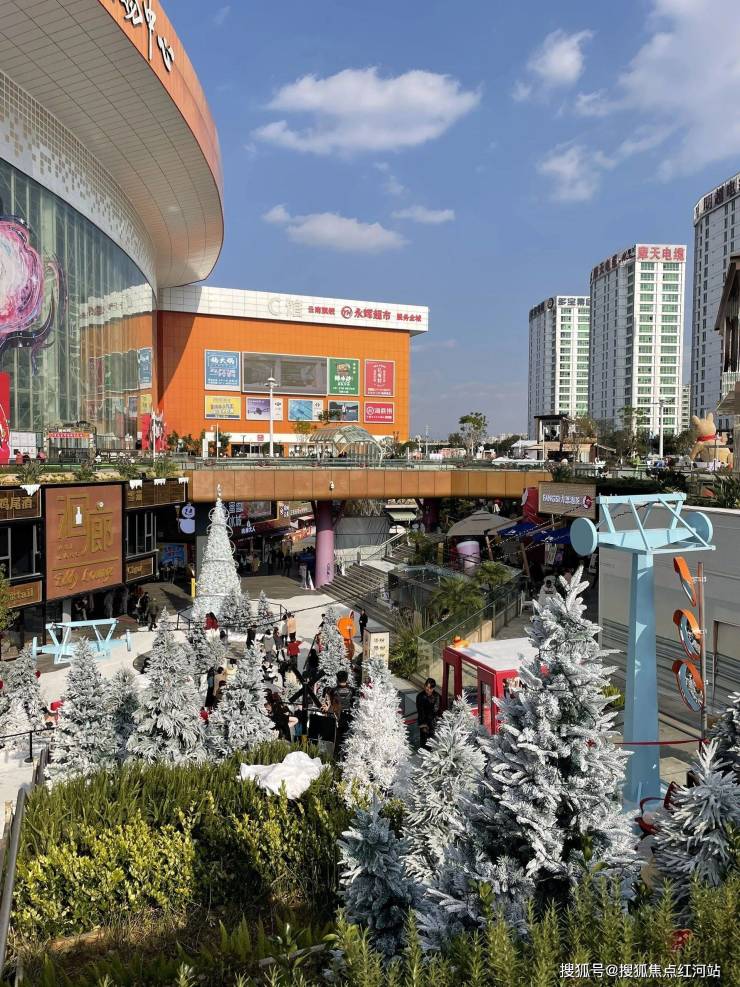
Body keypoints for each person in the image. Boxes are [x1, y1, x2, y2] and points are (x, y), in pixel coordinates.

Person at [416, 678, 440, 748]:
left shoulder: (436, 696)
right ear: (424, 686)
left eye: (430, 688)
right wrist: (423, 725)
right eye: (427, 686)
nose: (428, 689)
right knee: (424, 743)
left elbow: (435, 710)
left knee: (432, 743)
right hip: (423, 722)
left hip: (433, 723)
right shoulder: (420, 696)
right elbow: (420, 711)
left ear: (433, 688)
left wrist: (431, 723)